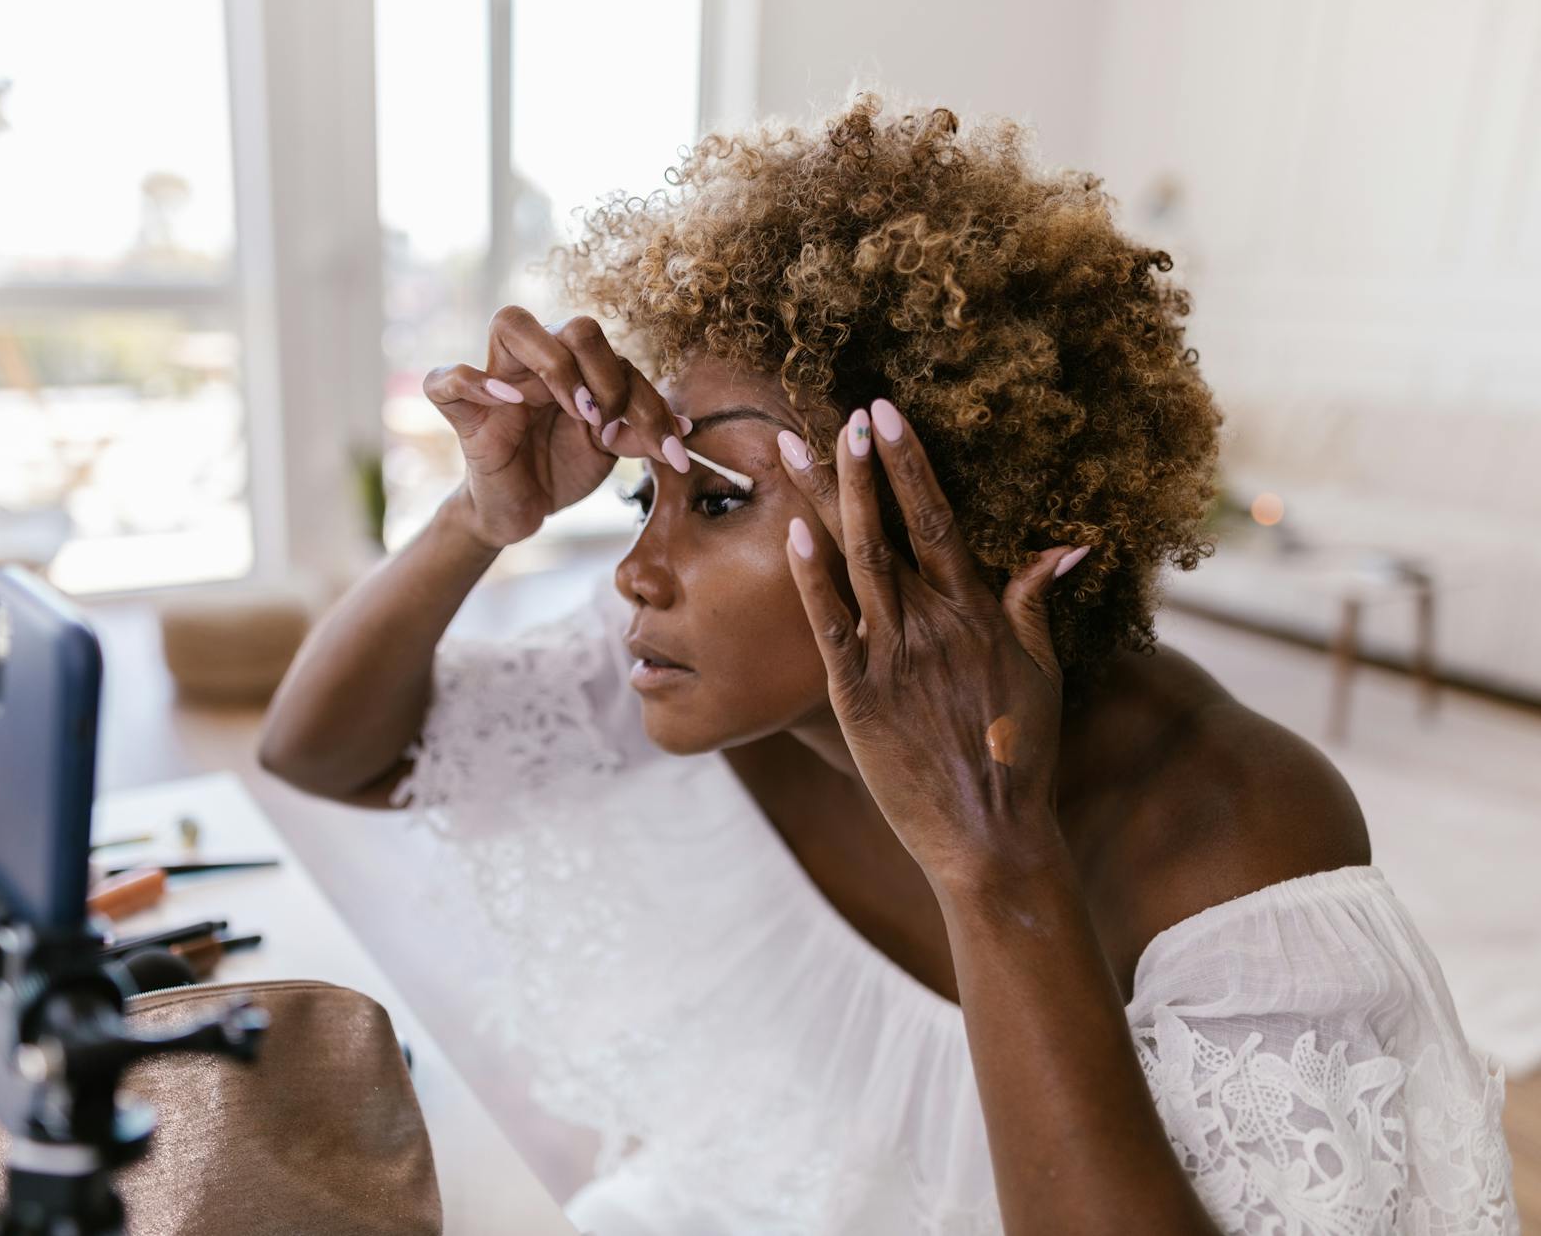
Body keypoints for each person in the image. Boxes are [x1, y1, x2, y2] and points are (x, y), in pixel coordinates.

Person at [258, 90, 1515, 1235]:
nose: (634, 570)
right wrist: (477, 520)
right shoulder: (701, 679)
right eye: (647, 494)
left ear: (938, 519)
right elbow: (319, 754)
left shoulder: (1230, 830)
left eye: (714, 499)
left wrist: (990, 858)